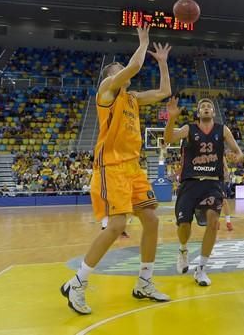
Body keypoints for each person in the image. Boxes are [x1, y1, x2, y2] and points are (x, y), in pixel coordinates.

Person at [61, 24, 172, 315]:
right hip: (112, 167)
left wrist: (162, 64)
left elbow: (165, 91)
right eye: (117, 69)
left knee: (151, 219)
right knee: (117, 226)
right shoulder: (106, 92)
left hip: (134, 168)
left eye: (122, 69)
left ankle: (144, 282)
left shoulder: (133, 98)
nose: (123, 71)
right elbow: (135, 65)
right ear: (110, 77)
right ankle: (77, 282)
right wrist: (143, 40)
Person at [163, 97, 243, 286]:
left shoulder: (223, 130)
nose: (206, 108)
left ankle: (201, 269)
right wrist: (171, 118)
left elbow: (239, 153)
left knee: (213, 222)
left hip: (213, 184)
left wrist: (236, 157)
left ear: (213, 112)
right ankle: (183, 250)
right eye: (202, 107)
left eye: (209, 106)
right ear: (198, 113)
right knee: (184, 225)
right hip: (190, 183)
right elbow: (168, 139)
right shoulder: (188, 129)